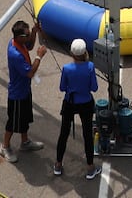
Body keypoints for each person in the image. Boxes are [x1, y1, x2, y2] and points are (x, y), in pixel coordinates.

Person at [0, 19, 48, 162]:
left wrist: (34, 32)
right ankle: (5, 146)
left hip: (25, 90)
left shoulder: (19, 43)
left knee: (25, 119)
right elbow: (30, 73)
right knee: (13, 123)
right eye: (26, 35)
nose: (28, 38)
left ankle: (25, 142)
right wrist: (39, 56)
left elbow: (30, 45)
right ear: (20, 37)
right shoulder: (15, 53)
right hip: (17, 94)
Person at [53, 39, 100, 179]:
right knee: (87, 134)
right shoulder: (90, 67)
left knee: (64, 133)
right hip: (85, 102)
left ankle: (58, 164)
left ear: (72, 53)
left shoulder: (67, 68)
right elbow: (94, 88)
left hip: (70, 102)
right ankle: (90, 167)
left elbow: (62, 88)